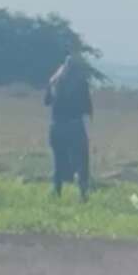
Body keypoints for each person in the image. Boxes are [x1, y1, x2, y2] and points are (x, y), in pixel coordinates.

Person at [44, 52, 93, 202]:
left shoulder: (54, 81)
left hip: (56, 127)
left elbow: (46, 101)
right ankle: (83, 195)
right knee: (81, 162)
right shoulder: (81, 83)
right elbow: (87, 107)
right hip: (74, 127)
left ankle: (57, 192)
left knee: (59, 162)